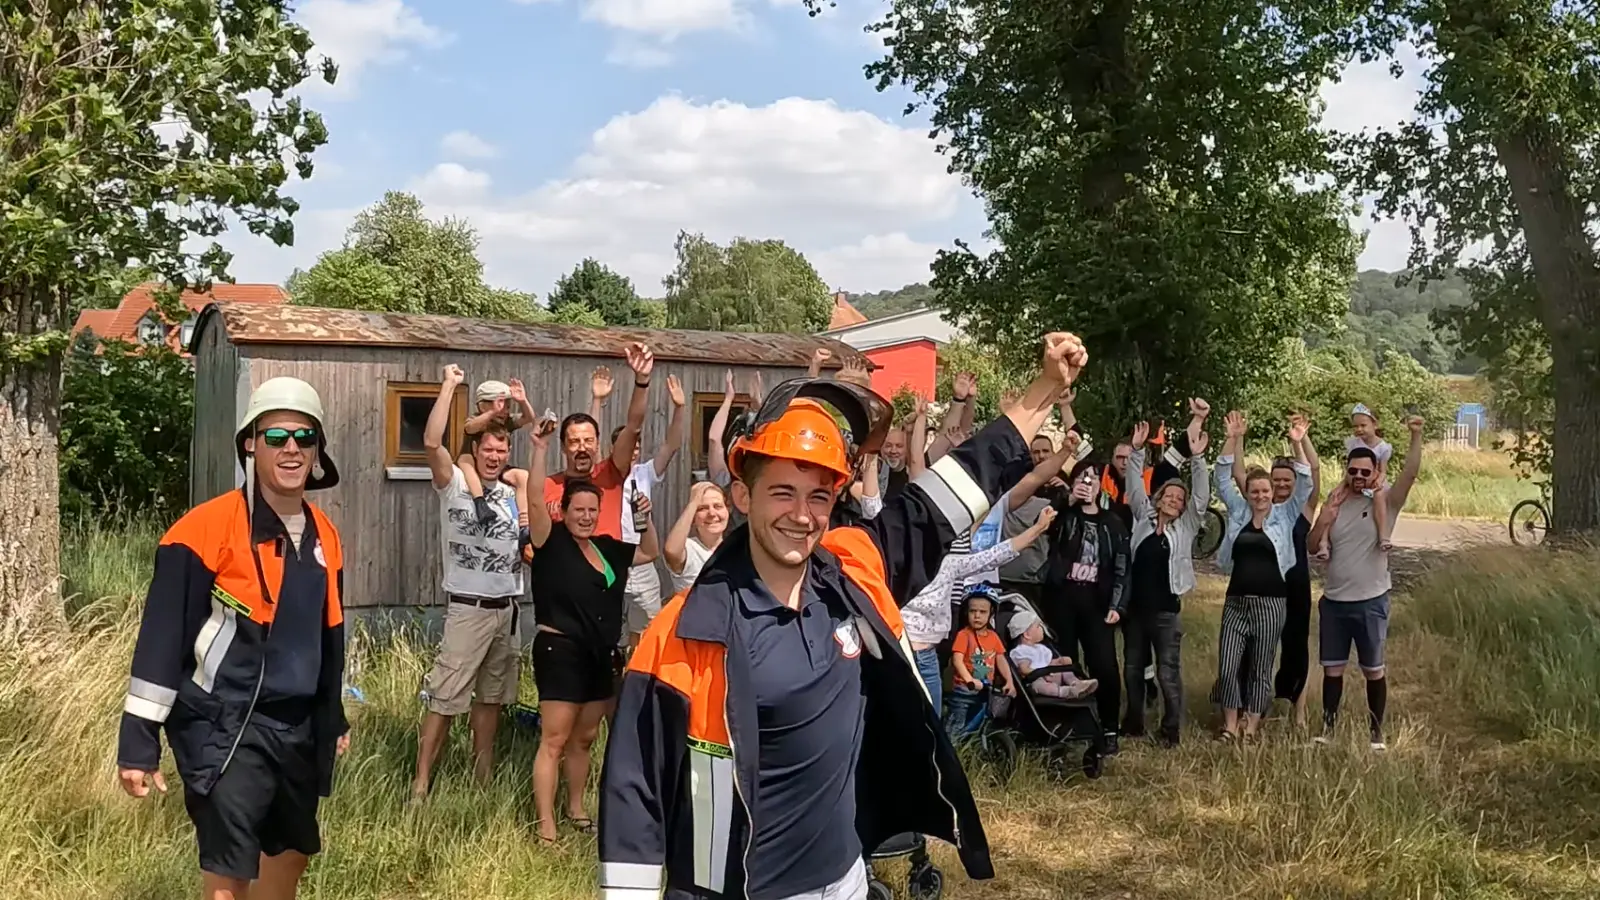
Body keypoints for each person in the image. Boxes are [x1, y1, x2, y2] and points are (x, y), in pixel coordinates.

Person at [598, 333, 1087, 900]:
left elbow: (951, 492)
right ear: (741, 495)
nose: (801, 515)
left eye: (818, 497)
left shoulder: (852, 572)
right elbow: (634, 799)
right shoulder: (686, 631)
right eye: (782, 492)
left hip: (850, 878)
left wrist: (1045, 387)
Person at [118, 376, 350, 900]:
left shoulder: (326, 536)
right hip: (224, 726)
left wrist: (332, 716)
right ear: (250, 443)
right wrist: (138, 743)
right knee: (229, 880)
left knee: (288, 860)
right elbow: (162, 637)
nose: (291, 449)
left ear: (316, 451)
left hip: (296, 730)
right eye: (275, 437)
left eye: (303, 438)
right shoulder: (201, 530)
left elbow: (330, 634)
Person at [524, 416, 661, 843]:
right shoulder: (550, 543)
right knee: (555, 739)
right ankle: (546, 825)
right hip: (559, 650)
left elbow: (651, 551)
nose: (584, 517)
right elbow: (532, 502)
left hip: (601, 655)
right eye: (577, 510)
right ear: (563, 512)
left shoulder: (607, 549)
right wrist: (540, 448)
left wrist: (645, 517)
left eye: (591, 511)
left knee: (584, 739)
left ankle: (577, 808)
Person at [412, 365, 528, 800]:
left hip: (507, 610)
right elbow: (430, 442)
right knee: (445, 697)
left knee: (491, 698)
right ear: (476, 450)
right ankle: (422, 782)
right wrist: (448, 385)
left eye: (502, 450)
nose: (495, 456)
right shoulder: (455, 482)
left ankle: (482, 777)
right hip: (468, 608)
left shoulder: (513, 487)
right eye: (489, 449)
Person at [1309, 415, 1424, 751]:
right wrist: (1322, 522)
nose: (1358, 477)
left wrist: (1416, 436)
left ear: (1375, 473)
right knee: (1333, 670)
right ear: (1346, 471)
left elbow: (1411, 474)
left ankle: (1376, 735)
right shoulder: (1335, 501)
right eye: (1352, 471)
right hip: (1334, 602)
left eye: (1365, 472)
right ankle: (1328, 731)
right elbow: (1313, 547)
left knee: (1373, 669)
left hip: (1371, 600)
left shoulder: (1386, 501)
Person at [1212, 411, 1313, 742]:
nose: (1260, 496)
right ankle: (1229, 724)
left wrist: (1298, 443)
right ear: (1249, 492)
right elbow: (1223, 478)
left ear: (1273, 493)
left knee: (1260, 667)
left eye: (1265, 491)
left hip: (1272, 604)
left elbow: (1307, 481)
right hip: (1236, 601)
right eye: (1254, 491)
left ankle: (1251, 725)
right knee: (1228, 667)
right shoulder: (1239, 512)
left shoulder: (1285, 516)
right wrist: (1232, 438)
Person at [899, 502, 1056, 714]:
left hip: (927, 656)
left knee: (932, 720)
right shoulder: (897, 559)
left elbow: (996, 554)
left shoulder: (949, 563)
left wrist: (1037, 528)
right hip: (898, 652)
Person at [1116, 402, 1212, 747]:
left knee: (1169, 673)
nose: (1173, 500)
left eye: (1178, 498)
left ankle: (1171, 730)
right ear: (1158, 498)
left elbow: (1201, 496)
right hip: (1136, 611)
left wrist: (1197, 460)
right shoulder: (1142, 518)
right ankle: (1133, 723)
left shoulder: (1185, 528)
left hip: (1166, 612)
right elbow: (1133, 486)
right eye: (1168, 495)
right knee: (1132, 669)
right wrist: (1137, 451)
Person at [1039, 457, 1131, 754]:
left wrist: (1118, 604)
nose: (1088, 483)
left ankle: (1108, 728)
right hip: (1062, 598)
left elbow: (1122, 566)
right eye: (1083, 477)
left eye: (1094, 477)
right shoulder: (1063, 515)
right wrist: (1068, 497)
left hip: (1097, 601)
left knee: (1104, 665)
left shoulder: (1113, 521)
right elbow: (1045, 520)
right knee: (1064, 664)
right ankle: (1065, 728)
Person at [592, 372, 687, 647]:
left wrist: (680, 408)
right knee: (602, 629)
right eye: (626, 445)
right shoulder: (601, 474)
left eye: (636, 446)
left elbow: (671, 445)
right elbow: (592, 441)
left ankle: (637, 680)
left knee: (645, 631)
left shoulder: (645, 473)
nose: (632, 450)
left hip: (641, 559)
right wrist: (598, 401)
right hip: (608, 557)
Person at [544, 348, 655, 540]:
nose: (582, 448)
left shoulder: (610, 474)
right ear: (562, 447)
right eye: (574, 442)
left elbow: (633, 427)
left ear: (597, 445)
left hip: (609, 569)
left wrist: (642, 381)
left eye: (588, 441)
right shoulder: (548, 486)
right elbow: (533, 546)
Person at [459, 378, 535, 524]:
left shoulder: (506, 422)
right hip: (473, 467)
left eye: (507, 407)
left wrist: (522, 401)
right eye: (500, 406)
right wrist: (492, 413)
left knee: (523, 476)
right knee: (465, 460)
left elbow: (528, 418)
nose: (504, 411)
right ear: (482, 406)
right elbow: (470, 428)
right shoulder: (477, 419)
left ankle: (524, 522)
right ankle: (480, 503)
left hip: (495, 468)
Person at [945, 587, 1019, 735]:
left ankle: (969, 744)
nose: (977, 616)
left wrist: (1009, 681)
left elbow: (1000, 658)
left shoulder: (993, 636)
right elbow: (957, 660)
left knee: (978, 723)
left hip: (985, 690)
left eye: (983, 612)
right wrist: (969, 680)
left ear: (991, 613)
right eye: (973, 611)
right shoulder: (964, 635)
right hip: (964, 690)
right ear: (967, 612)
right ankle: (949, 748)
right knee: (956, 725)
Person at [1007, 609, 1097, 700]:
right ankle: (1066, 692)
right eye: (1038, 626)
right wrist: (1042, 671)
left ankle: (1076, 683)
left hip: (1051, 674)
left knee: (1065, 670)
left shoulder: (1040, 648)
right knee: (1038, 685)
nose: (1042, 629)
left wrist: (1058, 661)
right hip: (1038, 679)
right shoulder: (1021, 651)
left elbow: (1046, 662)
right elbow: (1024, 669)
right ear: (1027, 634)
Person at [662, 480, 730, 593]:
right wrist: (693, 502)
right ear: (693, 517)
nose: (712, 514)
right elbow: (671, 551)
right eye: (702, 508)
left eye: (717, 506)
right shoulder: (689, 549)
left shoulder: (736, 547)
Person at [1347, 403, 1395, 550]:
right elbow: (1349, 468)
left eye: (1363, 425)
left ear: (1374, 424)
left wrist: (1378, 482)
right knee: (1335, 498)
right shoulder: (1353, 444)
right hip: (1355, 477)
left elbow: (1383, 471)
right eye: (1356, 426)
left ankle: (1383, 536)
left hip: (1374, 479)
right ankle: (1326, 538)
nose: (1359, 430)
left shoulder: (1383, 447)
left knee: (1379, 496)